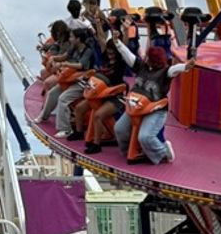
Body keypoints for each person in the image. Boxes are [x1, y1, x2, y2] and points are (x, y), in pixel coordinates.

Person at [112, 18, 194, 164]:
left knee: (145, 137)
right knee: (119, 129)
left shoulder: (164, 72)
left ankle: (163, 152)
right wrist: (117, 42)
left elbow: (175, 70)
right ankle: (128, 150)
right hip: (136, 106)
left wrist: (186, 67)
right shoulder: (141, 66)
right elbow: (127, 55)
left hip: (154, 110)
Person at [72, 40, 130, 151]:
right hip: (98, 94)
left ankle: (96, 144)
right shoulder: (105, 60)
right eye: (109, 53)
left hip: (114, 97)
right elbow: (101, 39)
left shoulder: (121, 64)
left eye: (112, 53)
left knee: (98, 115)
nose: (110, 55)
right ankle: (79, 132)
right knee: (79, 108)